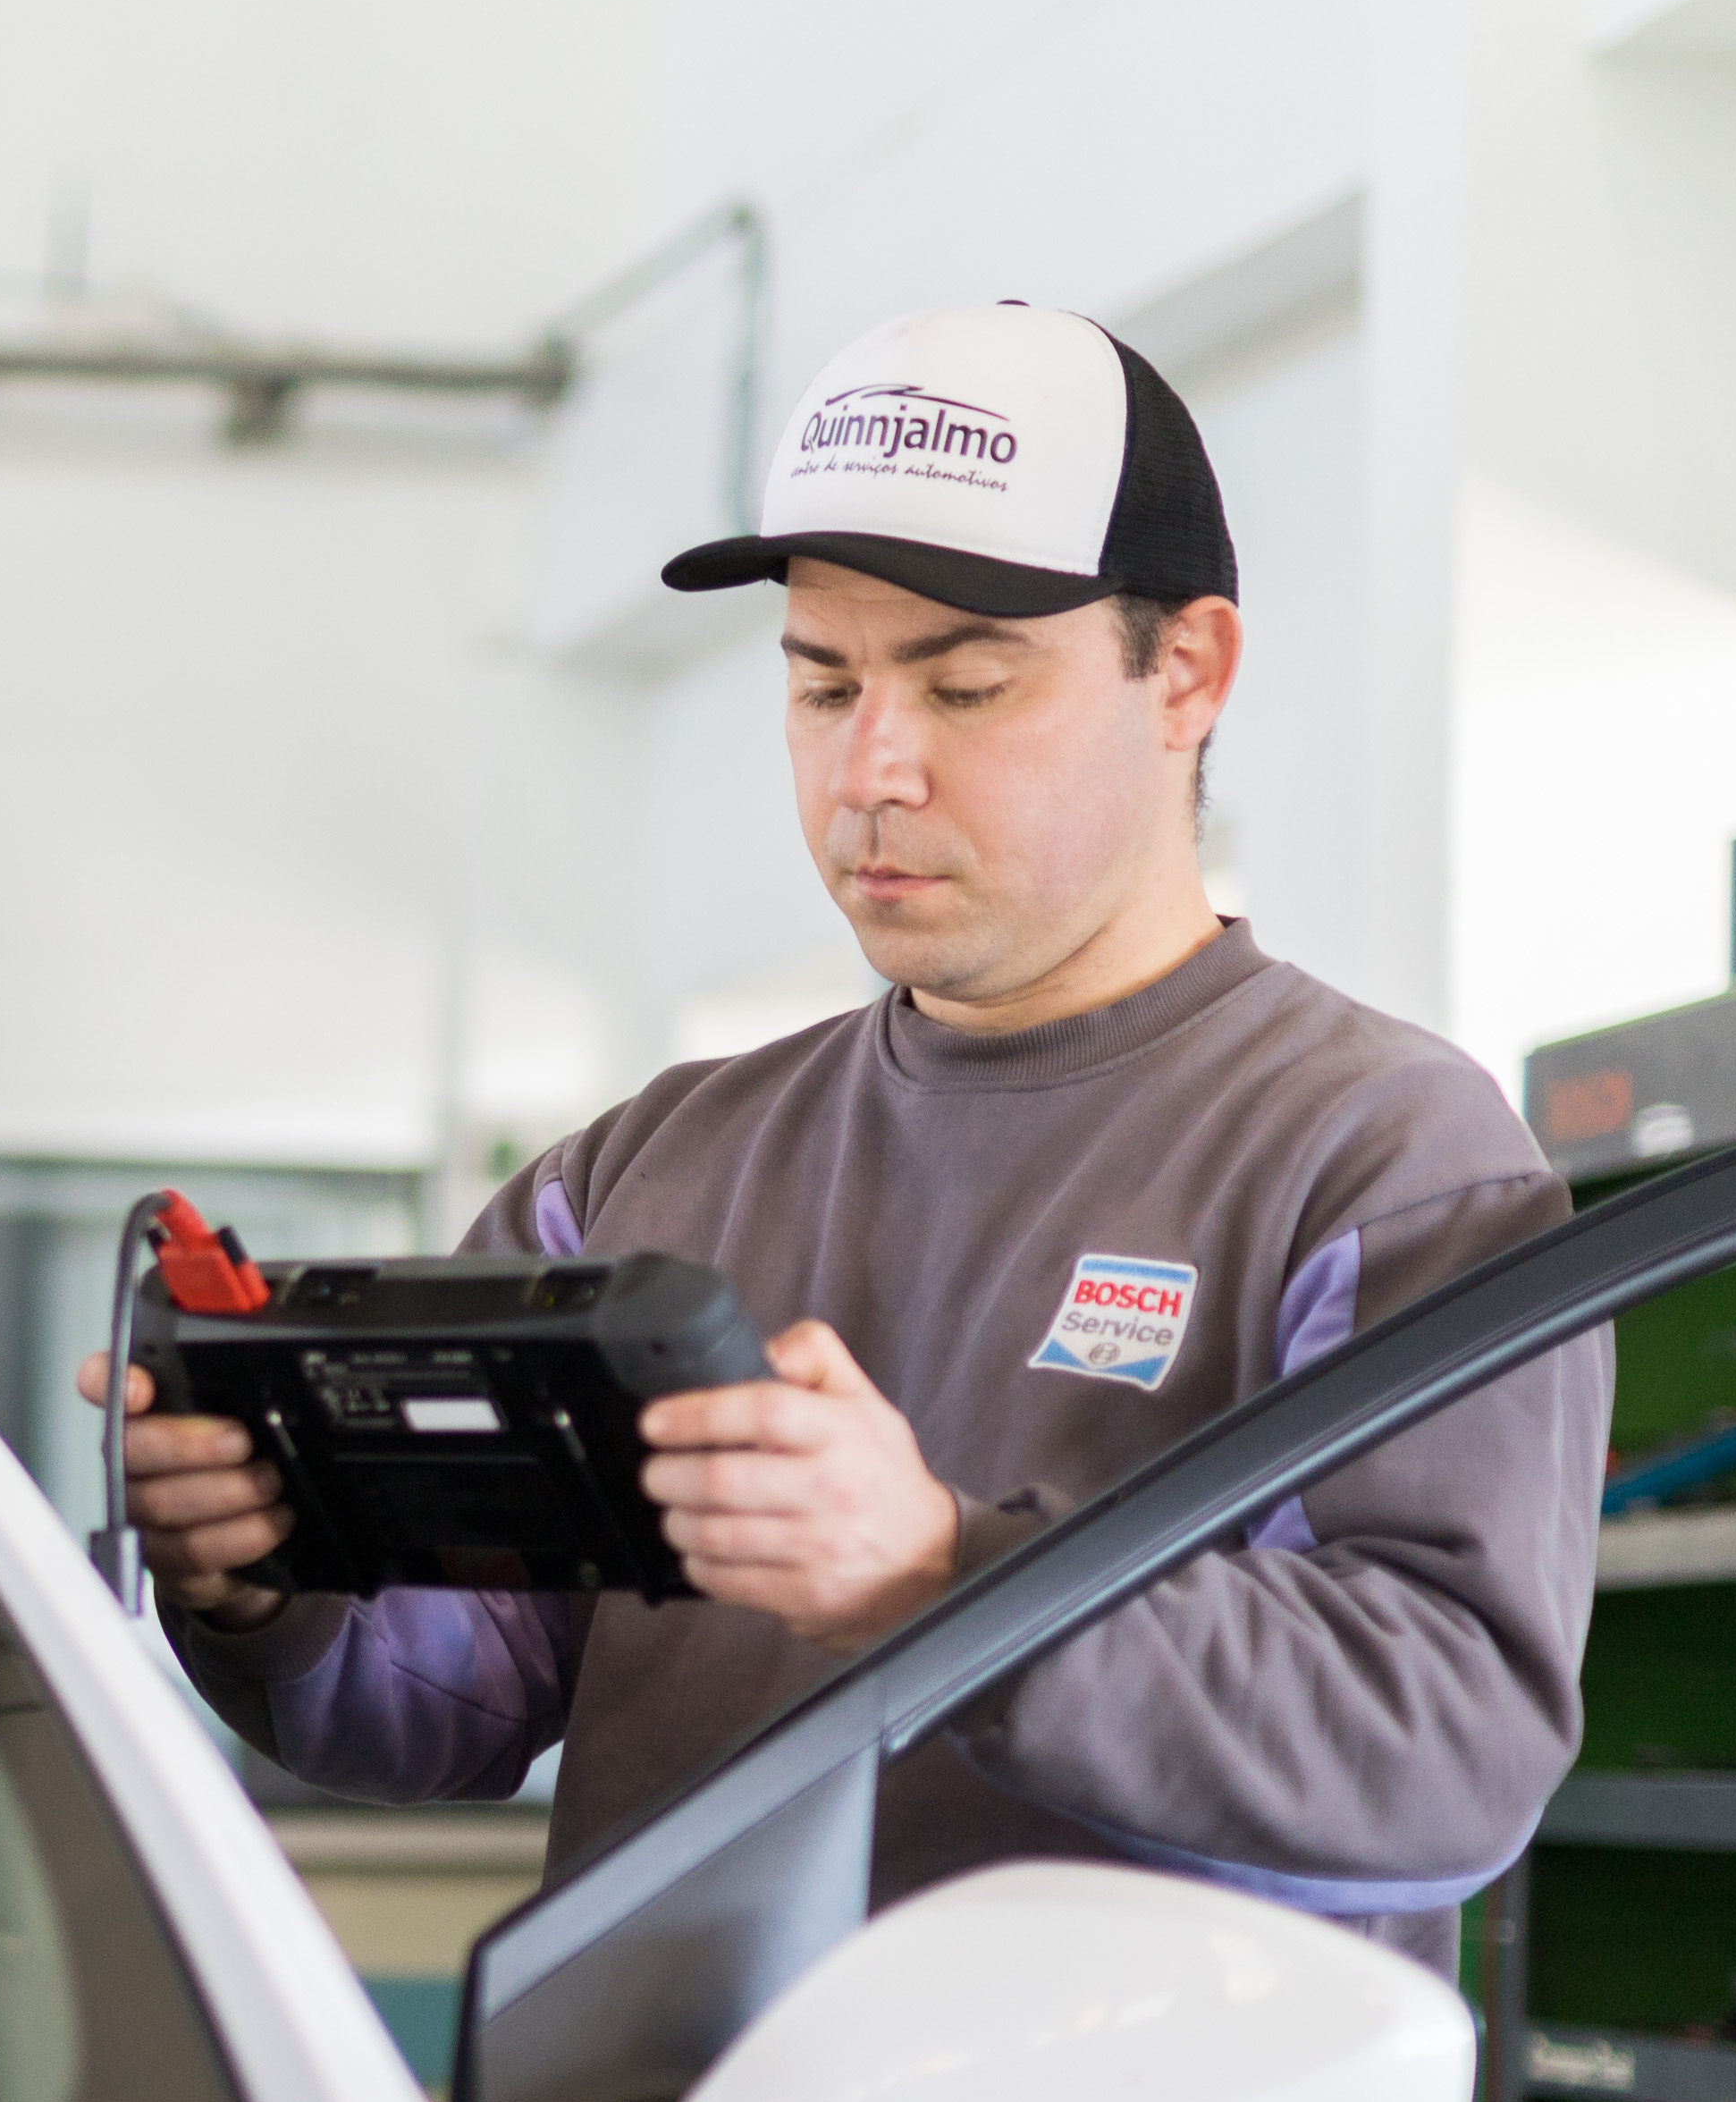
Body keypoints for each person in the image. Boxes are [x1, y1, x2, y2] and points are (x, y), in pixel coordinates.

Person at [112, 299, 1603, 1970]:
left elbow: (1443, 1745)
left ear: (1185, 671)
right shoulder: (638, 1176)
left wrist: (946, 1579)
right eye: (823, 685)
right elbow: (434, 1696)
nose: (873, 769)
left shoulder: (1379, 1157)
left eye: (966, 686)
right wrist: (259, 1579)